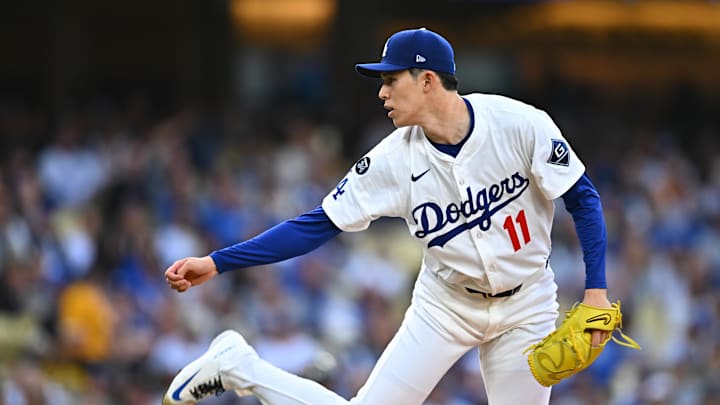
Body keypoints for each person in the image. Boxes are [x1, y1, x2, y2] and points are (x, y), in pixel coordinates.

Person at [163, 27, 613, 405]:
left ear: (428, 80)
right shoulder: (392, 161)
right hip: (446, 306)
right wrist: (219, 262)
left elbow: (583, 199)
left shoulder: (519, 124)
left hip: (527, 303)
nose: (381, 92)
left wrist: (596, 292)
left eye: (391, 79)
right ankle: (238, 366)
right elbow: (315, 225)